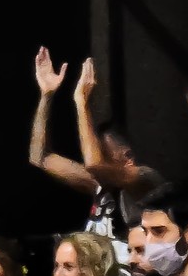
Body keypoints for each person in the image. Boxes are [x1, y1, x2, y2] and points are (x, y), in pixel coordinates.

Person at [29, 50, 160, 244]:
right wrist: (46, 95)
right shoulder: (101, 186)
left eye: (101, 153)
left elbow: (94, 165)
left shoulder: (145, 178)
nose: (89, 157)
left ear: (127, 157)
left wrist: (81, 101)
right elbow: (39, 157)